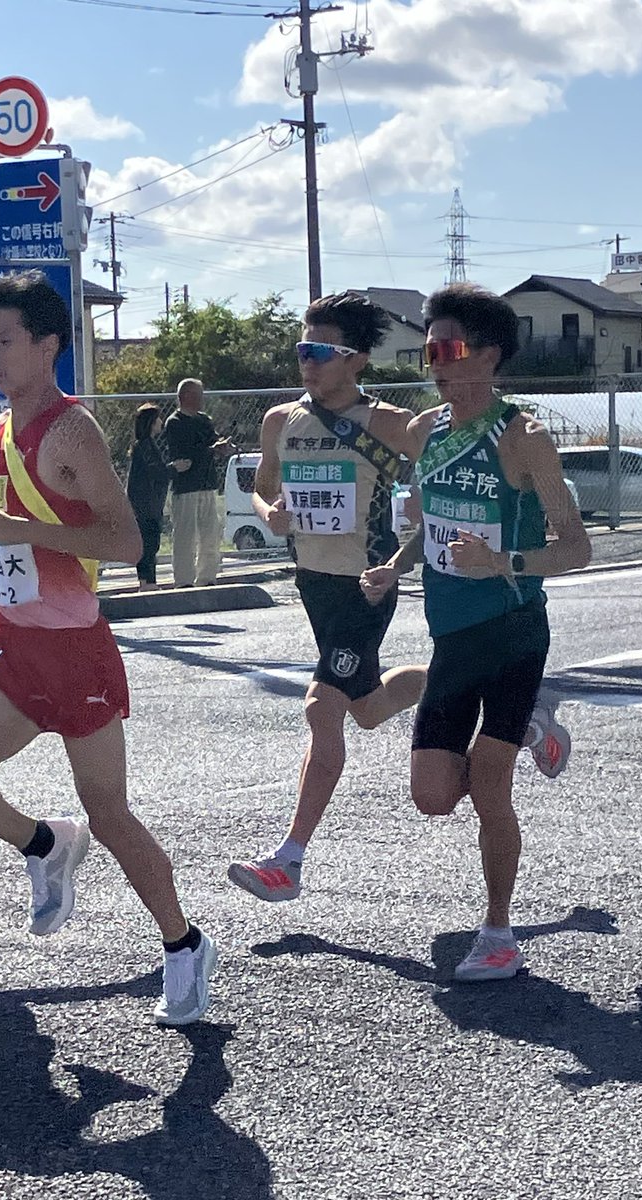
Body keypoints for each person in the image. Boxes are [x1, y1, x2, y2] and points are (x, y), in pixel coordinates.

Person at [0, 270, 216, 1027]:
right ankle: (43, 845)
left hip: (75, 651)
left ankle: (182, 945)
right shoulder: (7, 426)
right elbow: (39, 545)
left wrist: (15, 536)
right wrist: (2, 588)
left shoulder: (70, 429)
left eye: (7, 340)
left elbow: (126, 539)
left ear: (48, 344)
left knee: (108, 810)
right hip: (14, 642)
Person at [361, 282, 591, 982]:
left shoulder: (526, 438)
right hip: (450, 637)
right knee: (432, 795)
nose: (437, 363)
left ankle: (498, 932)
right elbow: (431, 521)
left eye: (450, 349)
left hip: (514, 628)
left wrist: (502, 562)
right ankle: (531, 730)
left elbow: (576, 548)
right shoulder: (430, 430)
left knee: (491, 785)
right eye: (429, 350)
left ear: (490, 356)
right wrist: (397, 564)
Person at [227, 293, 428, 903]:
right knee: (365, 709)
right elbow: (264, 490)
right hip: (313, 585)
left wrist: (401, 560)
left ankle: (289, 860)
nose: (306, 363)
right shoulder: (279, 421)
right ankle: (488, 687)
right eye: (301, 350)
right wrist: (273, 514)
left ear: (356, 360)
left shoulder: (391, 423)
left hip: (365, 587)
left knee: (322, 708)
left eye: (320, 351)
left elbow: (438, 494)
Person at [163, 379, 234, 587]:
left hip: (207, 482)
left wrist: (222, 447)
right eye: (198, 394)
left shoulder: (204, 420)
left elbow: (213, 441)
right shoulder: (174, 422)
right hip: (186, 486)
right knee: (185, 535)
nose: (202, 399)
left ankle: (207, 577)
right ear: (185, 396)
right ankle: (184, 580)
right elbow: (185, 452)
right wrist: (212, 449)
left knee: (210, 533)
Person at [126, 403, 187, 590]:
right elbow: (156, 472)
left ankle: (147, 581)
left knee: (150, 542)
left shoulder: (146, 445)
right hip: (145, 505)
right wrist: (174, 468)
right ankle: (147, 582)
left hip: (148, 504)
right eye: (158, 419)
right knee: (149, 543)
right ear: (151, 422)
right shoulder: (144, 446)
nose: (161, 422)